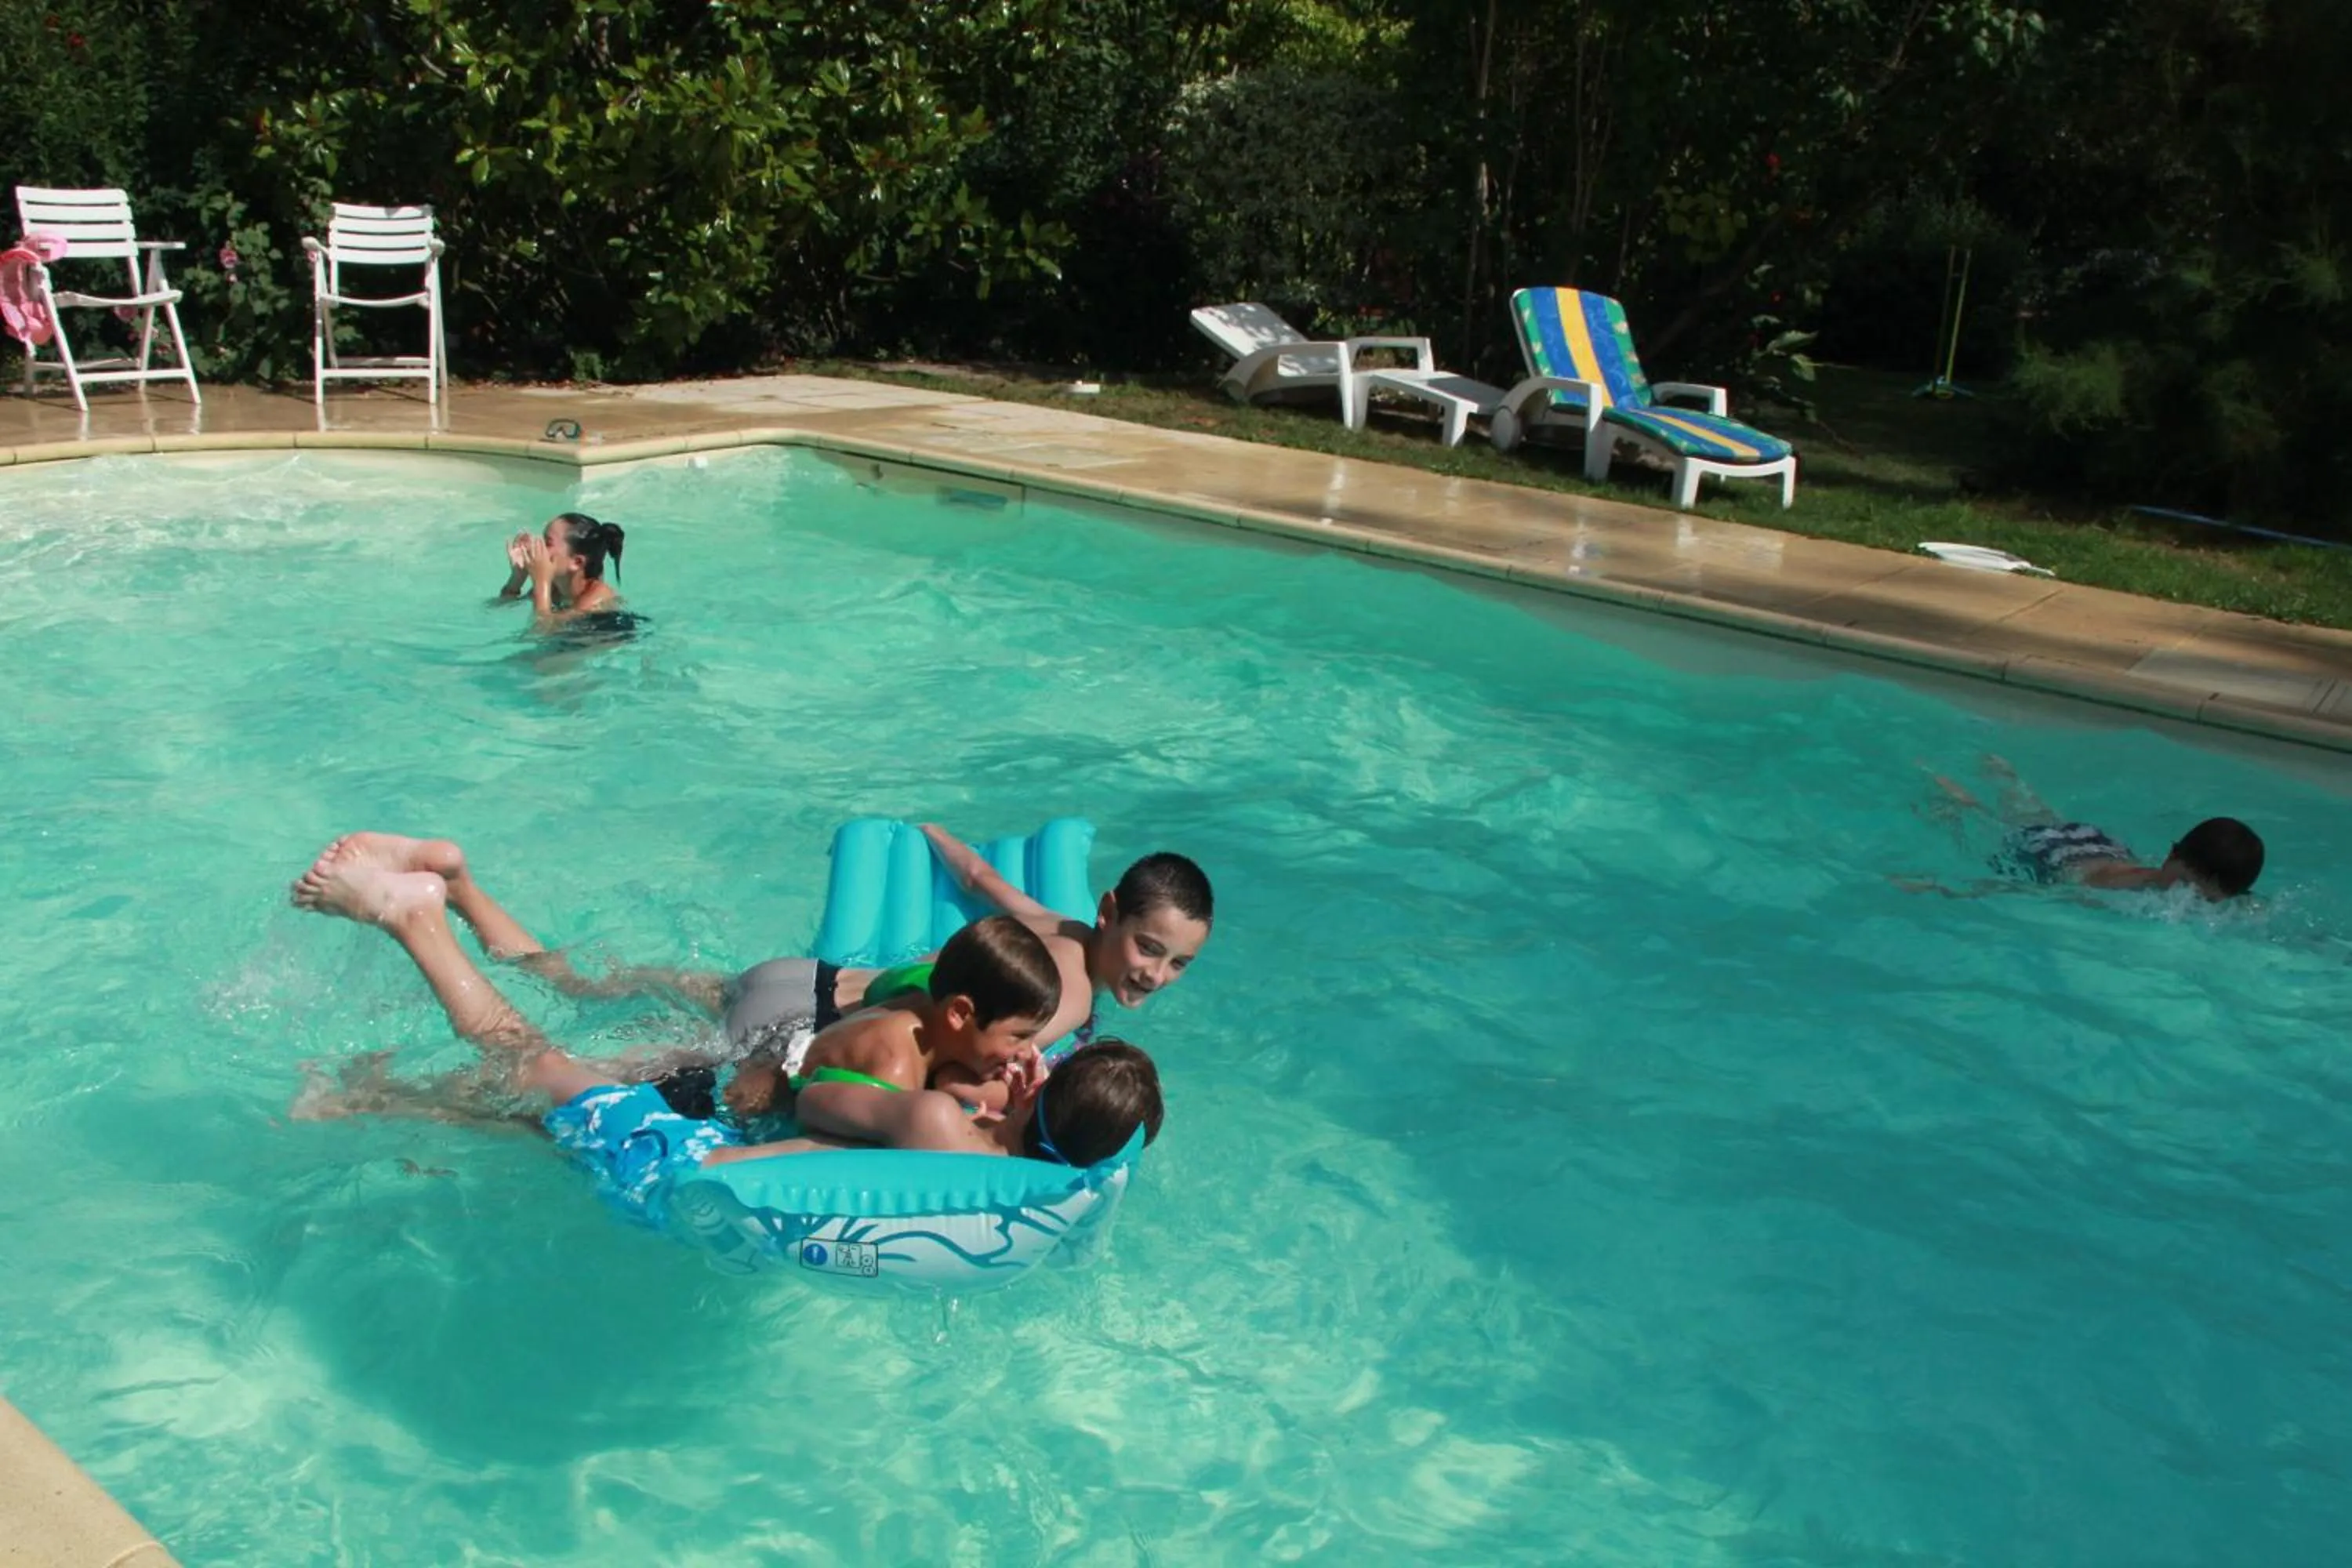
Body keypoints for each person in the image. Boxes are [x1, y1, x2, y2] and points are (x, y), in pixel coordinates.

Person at [284, 837, 1164, 1220]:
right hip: (680, 1160)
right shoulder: (957, 1137)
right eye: (1023, 1042)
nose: (1026, 1055)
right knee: (527, 1061)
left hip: (707, 1115)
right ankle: (417, 923)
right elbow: (936, 1137)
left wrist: (1006, 1100)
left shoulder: (945, 1050)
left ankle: (364, 1096)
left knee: (536, 1093)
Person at [299, 827, 1212, 1111]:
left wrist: (932, 835)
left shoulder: (1049, 921)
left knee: (584, 983)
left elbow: (977, 878)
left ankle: (462, 885)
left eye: (1177, 962)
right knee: (566, 1086)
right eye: (1148, 948)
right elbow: (966, 1068)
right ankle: (378, 1077)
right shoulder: (1061, 997)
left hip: (802, 975)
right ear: (1108, 918)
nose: (1156, 973)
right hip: (789, 1033)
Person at [1909, 754, 2265, 901]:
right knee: (1985, 822)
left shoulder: (2174, 877)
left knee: (2042, 817)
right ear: (2170, 856)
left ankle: (2008, 780)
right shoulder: (2124, 893)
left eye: (2206, 900)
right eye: (2186, 885)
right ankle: (1944, 786)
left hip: (2098, 843)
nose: (2187, 900)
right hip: (2051, 860)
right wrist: (1943, 888)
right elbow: (2031, 893)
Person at [496, 511, 627, 631]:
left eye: (547, 543)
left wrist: (541, 582)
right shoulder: (555, 588)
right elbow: (499, 609)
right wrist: (518, 578)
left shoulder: (597, 598)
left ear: (576, 562)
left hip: (612, 635)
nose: (538, 547)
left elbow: (542, 630)